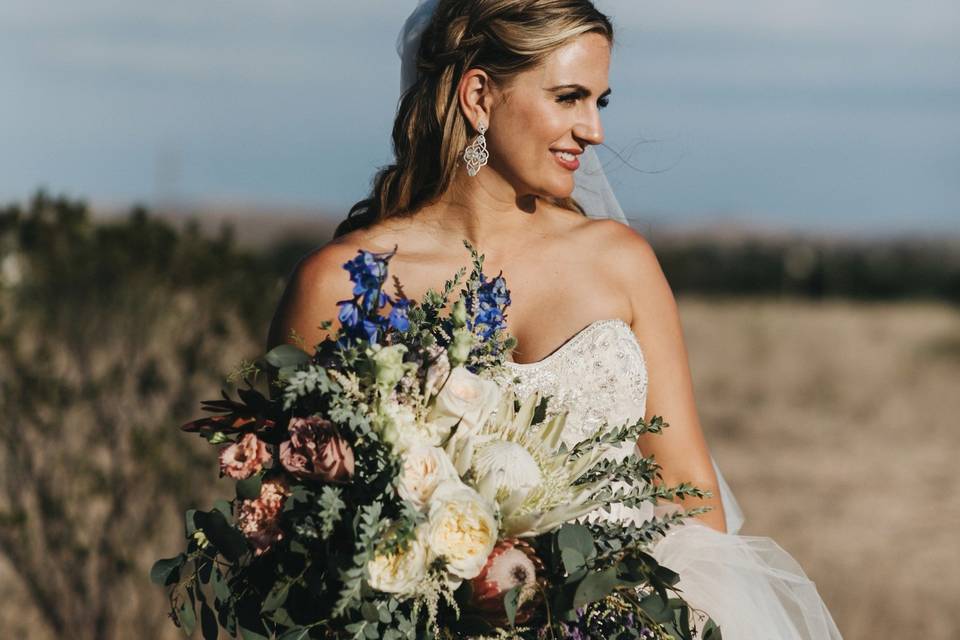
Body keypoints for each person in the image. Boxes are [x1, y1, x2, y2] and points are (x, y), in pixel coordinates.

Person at [268, 1, 842, 637]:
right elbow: (292, 524)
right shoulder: (339, 285)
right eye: (569, 98)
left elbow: (687, 493)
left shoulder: (620, 264)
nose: (592, 130)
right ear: (479, 96)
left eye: (600, 102)